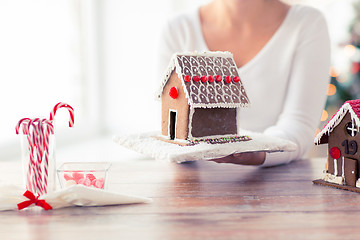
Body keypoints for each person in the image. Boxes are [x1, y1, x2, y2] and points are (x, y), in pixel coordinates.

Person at [157, 0, 330, 167]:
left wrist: (255, 151)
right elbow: (169, 121)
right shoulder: (178, 29)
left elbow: (298, 125)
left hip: (275, 183)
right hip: (190, 182)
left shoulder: (307, 23)